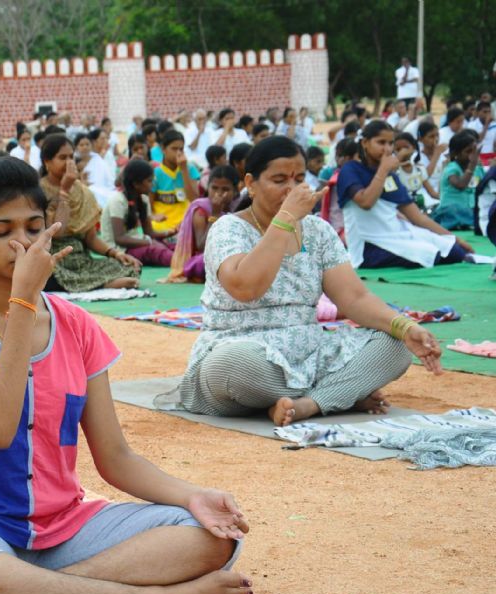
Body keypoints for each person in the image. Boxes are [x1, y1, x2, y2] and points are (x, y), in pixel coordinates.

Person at [0, 157, 251, 594]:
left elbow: (115, 457)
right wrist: (23, 301)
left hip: (63, 530)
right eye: (2, 231)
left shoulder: (75, 324)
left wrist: (194, 496)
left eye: (33, 227)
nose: (23, 243)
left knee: (212, 535)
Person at [179, 136, 442, 426]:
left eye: (299, 179)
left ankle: (309, 404)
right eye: (279, 180)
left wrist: (405, 326)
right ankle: (339, 393)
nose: (292, 189)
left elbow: (354, 298)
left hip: (309, 352)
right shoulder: (228, 228)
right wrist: (286, 218)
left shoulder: (318, 230)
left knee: (395, 346)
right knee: (231, 366)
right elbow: (246, 287)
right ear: (251, 184)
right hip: (245, 350)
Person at [338, 121, 473, 268]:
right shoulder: (350, 170)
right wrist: (383, 170)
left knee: (454, 252)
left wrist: (454, 239)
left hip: (396, 235)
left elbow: (417, 217)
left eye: (390, 143)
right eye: (381, 142)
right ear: (365, 143)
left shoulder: (391, 176)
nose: (387, 149)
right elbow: (366, 202)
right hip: (368, 246)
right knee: (428, 254)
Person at [37, 134, 141, 292]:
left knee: (130, 266)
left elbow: (91, 238)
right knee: (48, 273)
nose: (69, 163)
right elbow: (57, 232)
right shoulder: (38, 191)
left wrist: (116, 254)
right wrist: (64, 192)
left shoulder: (83, 192)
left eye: (71, 157)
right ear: (47, 162)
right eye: (62, 158)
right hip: (54, 258)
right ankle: (104, 284)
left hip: (82, 260)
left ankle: (94, 283)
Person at [168, 165, 240, 283]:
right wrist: (215, 214)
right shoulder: (201, 209)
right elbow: (202, 246)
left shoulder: (238, 207)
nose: (218, 193)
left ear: (235, 190)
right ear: (208, 188)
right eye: (214, 188)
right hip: (203, 259)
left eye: (225, 189)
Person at [100, 159, 174, 267]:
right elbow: (119, 238)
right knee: (155, 251)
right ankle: (183, 263)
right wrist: (148, 242)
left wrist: (170, 232)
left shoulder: (144, 200)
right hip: (120, 250)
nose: (152, 184)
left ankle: (189, 259)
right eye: (149, 181)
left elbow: (149, 233)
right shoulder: (118, 201)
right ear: (136, 184)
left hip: (138, 242)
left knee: (173, 246)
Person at [150, 130, 200, 234]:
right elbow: (150, 203)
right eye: (174, 149)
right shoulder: (156, 173)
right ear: (163, 149)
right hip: (163, 221)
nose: (178, 153)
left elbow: (194, 200)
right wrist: (153, 216)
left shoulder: (190, 169)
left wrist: (184, 170)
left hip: (185, 220)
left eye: (181, 149)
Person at [434, 129, 485, 231]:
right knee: (454, 210)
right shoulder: (451, 168)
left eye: (475, 151)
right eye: (468, 151)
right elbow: (461, 185)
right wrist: (471, 166)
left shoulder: (478, 169)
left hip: (472, 209)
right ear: (455, 153)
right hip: (452, 211)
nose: (473, 155)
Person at [394, 131, 439, 209]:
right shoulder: (394, 172)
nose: (402, 152)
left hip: (422, 204)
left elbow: (432, 193)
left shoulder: (419, 169)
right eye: (398, 149)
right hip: (404, 208)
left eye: (406, 148)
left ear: (413, 148)